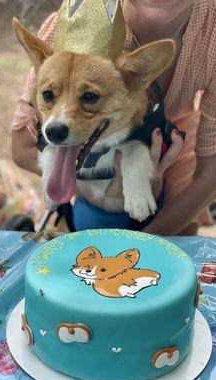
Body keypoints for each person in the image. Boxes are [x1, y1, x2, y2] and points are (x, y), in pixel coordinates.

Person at [12, 0, 216, 236]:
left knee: (180, 244)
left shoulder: (210, 29)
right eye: (49, 95)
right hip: (88, 176)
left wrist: (146, 241)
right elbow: (21, 146)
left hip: (177, 142)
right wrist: (83, 178)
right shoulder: (74, 20)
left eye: (89, 96)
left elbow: (208, 175)